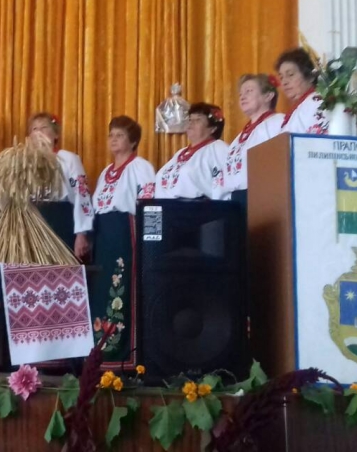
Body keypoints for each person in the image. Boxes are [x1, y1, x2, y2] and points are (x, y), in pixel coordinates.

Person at [90, 115, 155, 370]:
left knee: (122, 285)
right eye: (111, 135)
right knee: (103, 287)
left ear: (133, 141)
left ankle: (124, 357)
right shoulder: (106, 172)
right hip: (104, 232)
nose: (113, 140)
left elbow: (148, 203)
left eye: (120, 135)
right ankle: (101, 352)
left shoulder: (140, 167)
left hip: (126, 230)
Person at [26, 112, 93, 260]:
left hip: (60, 219)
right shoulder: (24, 162)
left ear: (55, 134)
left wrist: (81, 233)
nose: (39, 132)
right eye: (34, 129)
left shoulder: (68, 159)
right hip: (32, 222)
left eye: (44, 127)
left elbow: (81, 194)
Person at [224, 74, 285, 204]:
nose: (242, 97)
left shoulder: (278, 123)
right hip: (237, 199)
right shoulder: (240, 137)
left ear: (268, 96)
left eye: (249, 91)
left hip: (263, 196)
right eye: (240, 94)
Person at [154, 103, 229, 200]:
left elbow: (224, 188)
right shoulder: (180, 153)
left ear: (213, 128)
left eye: (198, 120)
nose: (191, 123)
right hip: (165, 207)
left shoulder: (218, 148)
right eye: (190, 119)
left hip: (197, 207)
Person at [276, 47, 326, 135]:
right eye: (281, 77)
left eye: (290, 75)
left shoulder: (316, 102)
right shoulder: (301, 106)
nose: (284, 82)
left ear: (310, 76)